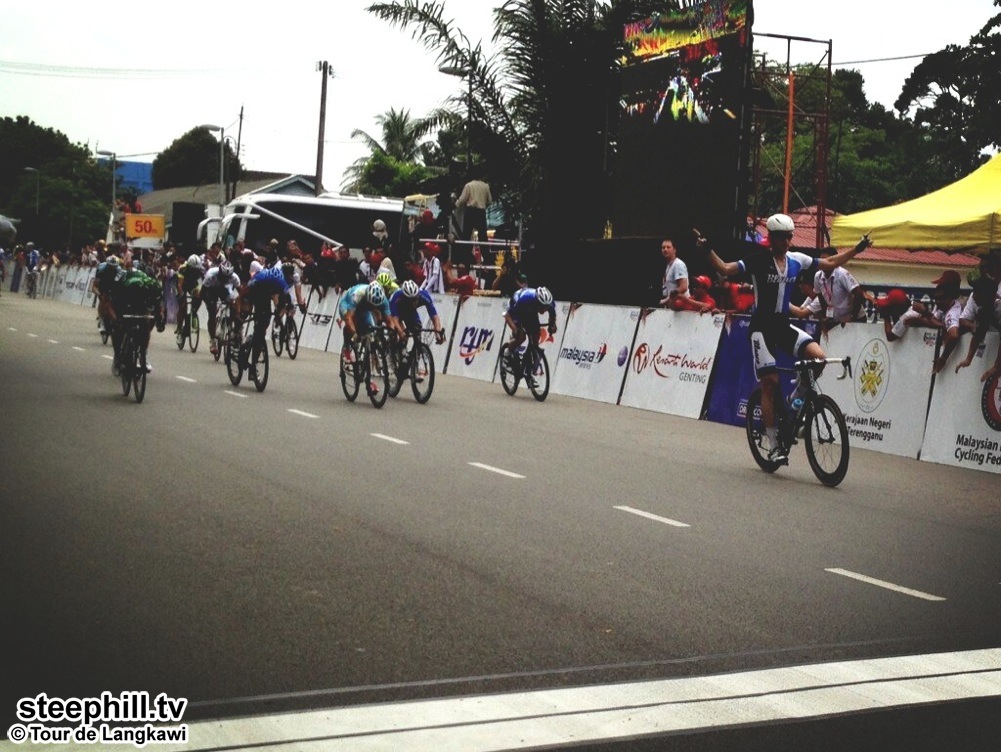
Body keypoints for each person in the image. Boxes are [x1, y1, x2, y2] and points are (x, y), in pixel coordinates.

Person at [700, 214, 872, 464]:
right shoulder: (758, 260)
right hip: (761, 328)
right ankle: (773, 444)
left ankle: (794, 400)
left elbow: (830, 262)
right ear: (773, 238)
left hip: (782, 325)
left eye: (790, 237)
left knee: (819, 359)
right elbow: (726, 269)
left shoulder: (796, 259)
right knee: (770, 382)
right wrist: (707, 250)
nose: (788, 241)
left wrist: (857, 249)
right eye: (784, 237)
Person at [338, 281, 395, 394]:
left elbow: (389, 321)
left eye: (375, 305)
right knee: (352, 327)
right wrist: (354, 334)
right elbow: (349, 318)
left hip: (364, 310)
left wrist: (391, 333)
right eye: (372, 304)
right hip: (348, 305)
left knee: (370, 330)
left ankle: (368, 380)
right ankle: (347, 349)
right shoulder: (357, 294)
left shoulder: (383, 300)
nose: (374, 307)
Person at [503, 286, 558, 385]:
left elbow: (552, 318)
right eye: (542, 306)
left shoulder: (550, 303)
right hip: (517, 308)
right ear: (537, 301)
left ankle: (529, 373)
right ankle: (507, 354)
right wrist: (515, 329)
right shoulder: (525, 299)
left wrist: (552, 326)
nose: (544, 310)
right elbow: (507, 315)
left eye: (546, 307)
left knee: (535, 337)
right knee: (521, 336)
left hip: (530, 310)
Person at [954, 275, 1001, 380]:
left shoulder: (999, 307)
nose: (974, 297)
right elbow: (979, 333)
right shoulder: (984, 308)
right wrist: (968, 359)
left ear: (987, 296)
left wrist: (996, 366)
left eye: (977, 293)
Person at [813, 249, 870, 331]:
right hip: (836, 319)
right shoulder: (818, 276)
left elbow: (858, 293)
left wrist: (852, 316)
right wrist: (826, 315)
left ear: (834, 260)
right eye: (821, 259)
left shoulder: (842, 274)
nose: (823, 262)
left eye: (826, 259)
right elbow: (820, 295)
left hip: (855, 318)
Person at [200, 260, 241, 355]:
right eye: (223, 277)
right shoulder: (210, 275)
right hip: (211, 289)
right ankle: (213, 341)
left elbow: (241, 294)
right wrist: (209, 304)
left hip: (225, 289)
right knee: (212, 313)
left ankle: (232, 329)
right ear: (219, 272)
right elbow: (203, 293)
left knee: (234, 306)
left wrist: (237, 308)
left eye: (227, 277)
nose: (225, 278)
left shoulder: (234, 278)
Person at [390, 280, 447, 345]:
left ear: (418, 295)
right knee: (402, 335)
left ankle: (417, 347)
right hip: (399, 309)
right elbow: (395, 319)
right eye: (410, 300)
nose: (413, 303)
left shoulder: (424, 296)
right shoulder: (397, 298)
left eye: (415, 299)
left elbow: (435, 317)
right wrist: (400, 331)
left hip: (410, 311)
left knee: (417, 328)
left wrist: (437, 333)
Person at [455, 176, 492, 250]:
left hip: (470, 211)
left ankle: (465, 253)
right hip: (481, 212)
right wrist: (483, 205)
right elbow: (490, 201)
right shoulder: (485, 186)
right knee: (483, 236)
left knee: (466, 235)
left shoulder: (469, 185)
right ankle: (486, 254)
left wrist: (455, 204)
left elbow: (463, 199)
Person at [175, 253, 205, 342]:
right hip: (182, 285)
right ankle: (179, 329)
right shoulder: (183, 268)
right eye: (193, 268)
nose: (195, 270)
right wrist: (181, 295)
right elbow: (179, 284)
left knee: (198, 295)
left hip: (192, 284)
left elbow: (204, 281)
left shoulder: (200, 268)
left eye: (196, 269)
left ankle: (194, 313)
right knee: (183, 306)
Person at [658, 238, 689, 308]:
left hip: (682, 307)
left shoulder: (678, 264)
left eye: (668, 247)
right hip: (673, 307)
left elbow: (683, 287)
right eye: (663, 247)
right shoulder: (669, 265)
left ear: (674, 250)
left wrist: (667, 299)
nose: (665, 249)